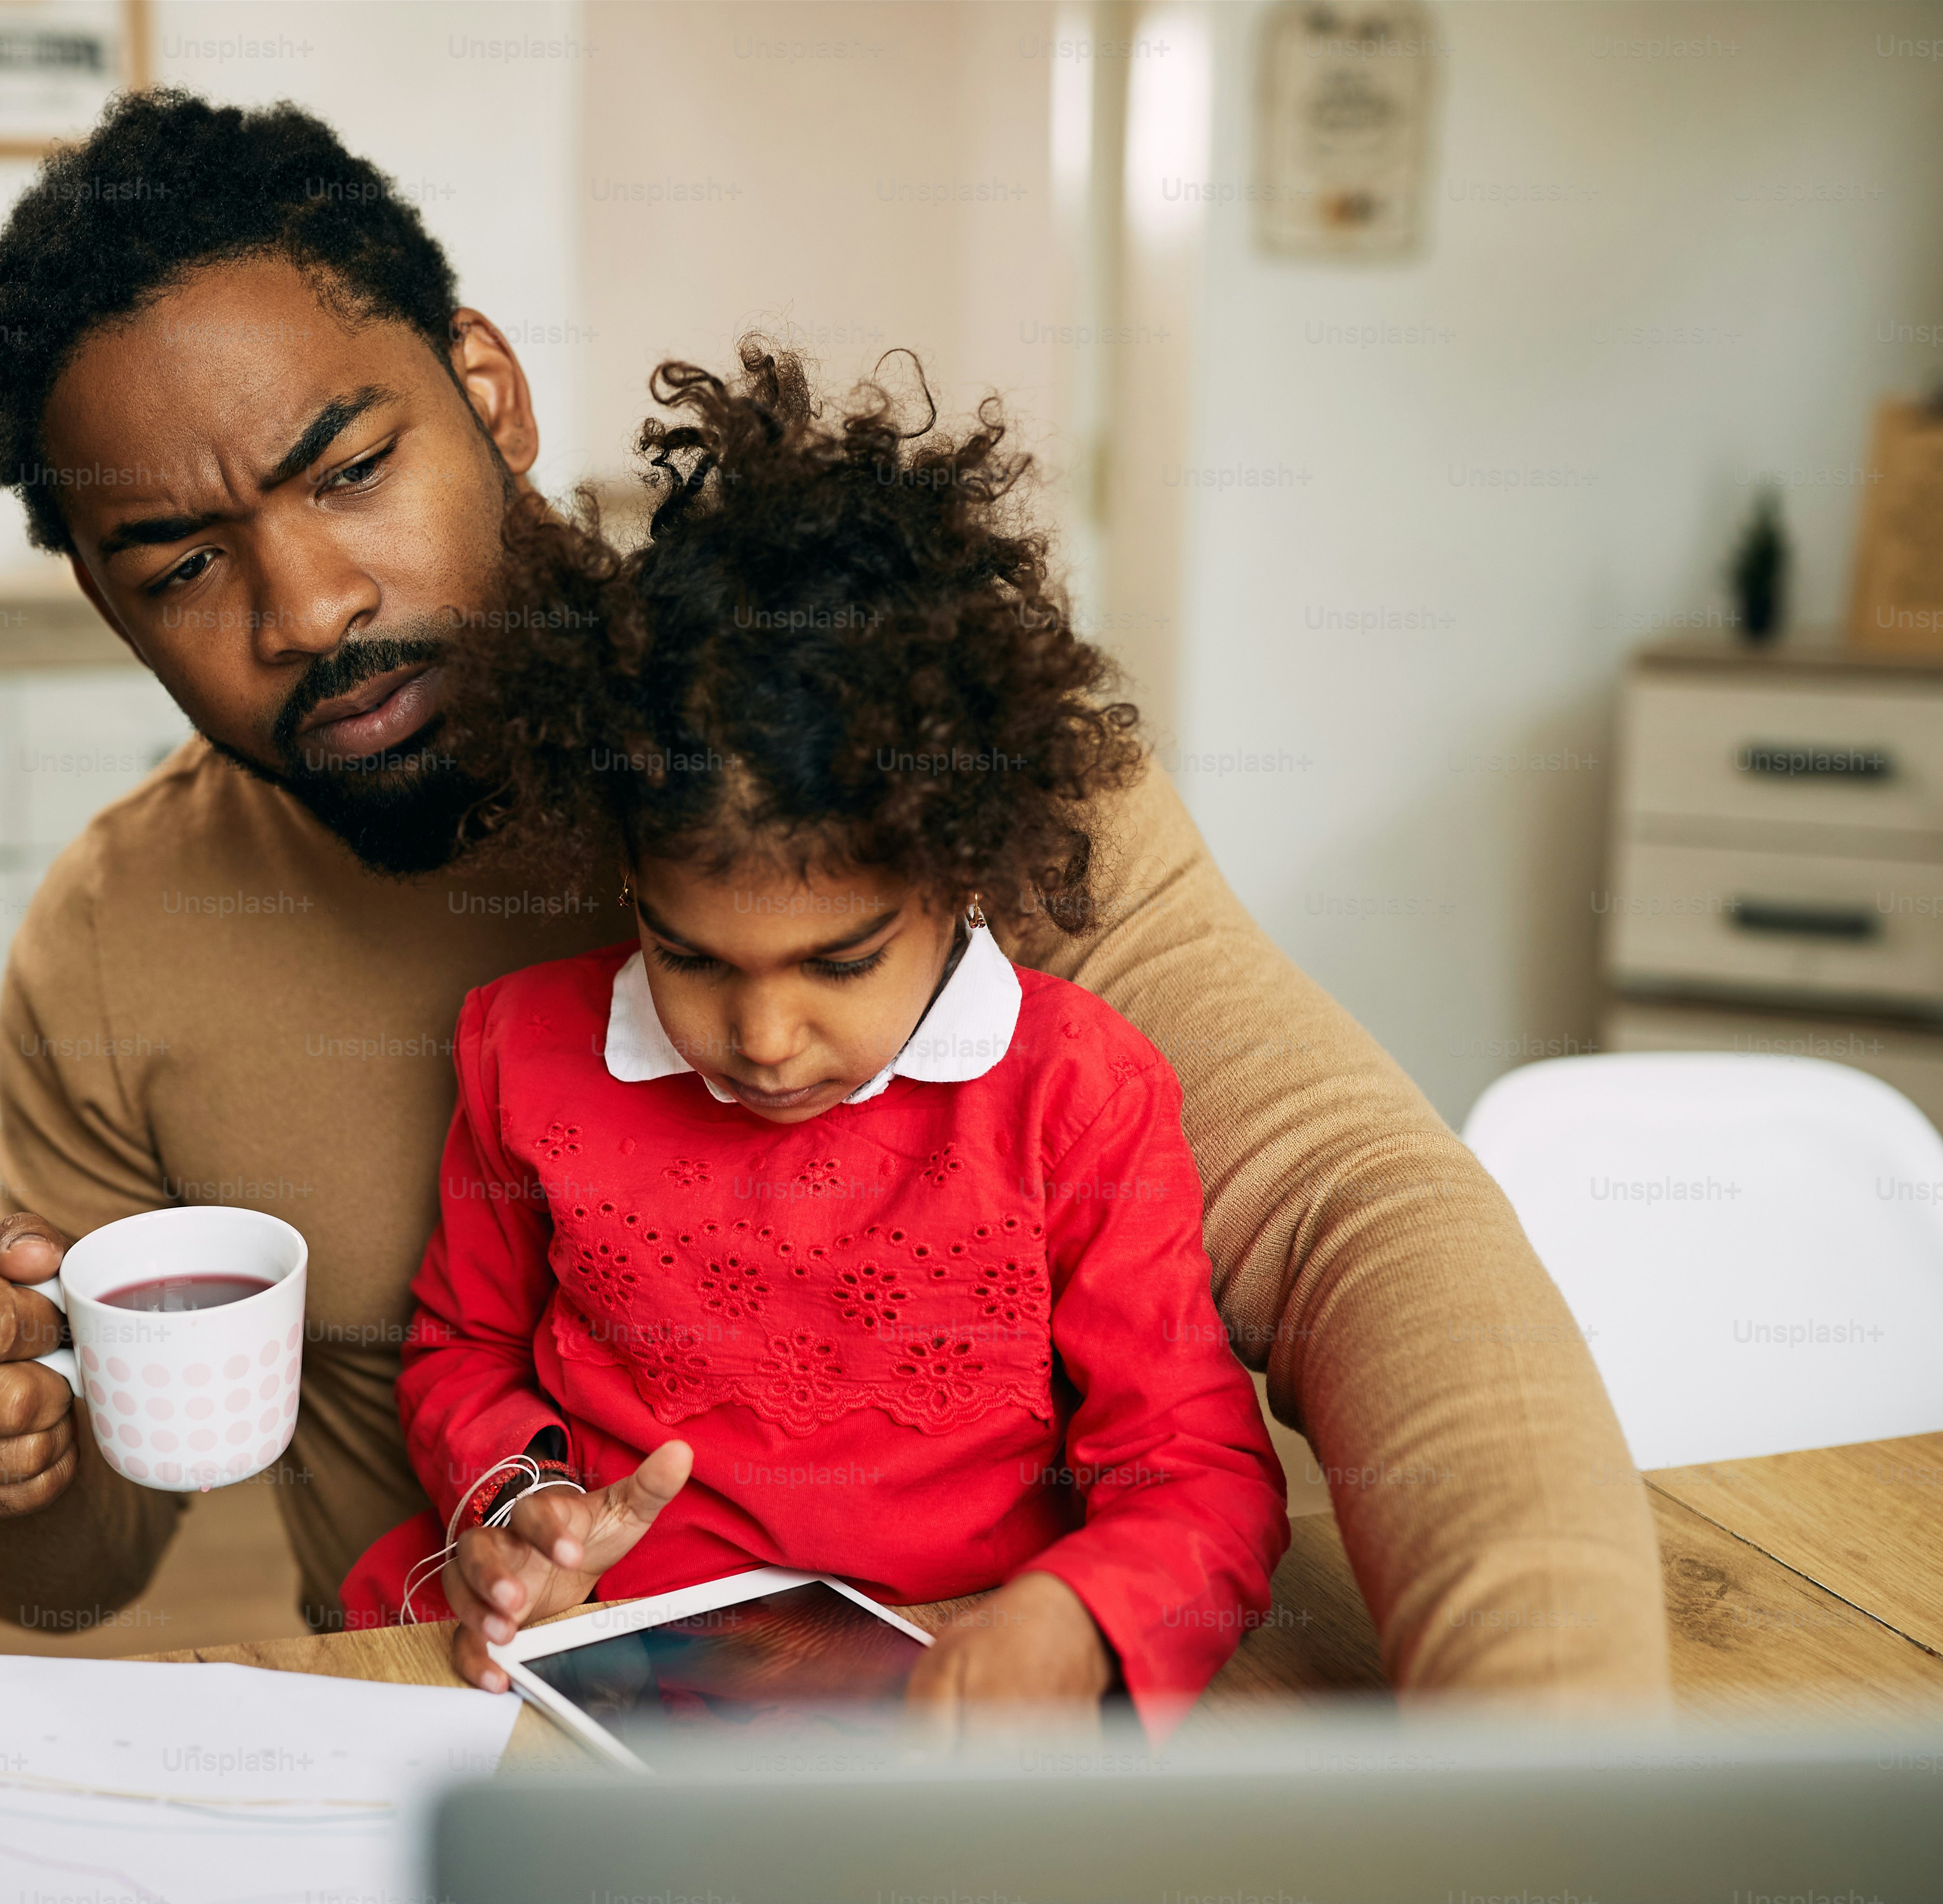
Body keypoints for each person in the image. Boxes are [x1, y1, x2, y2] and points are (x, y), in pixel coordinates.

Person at [0, 89, 1668, 1708]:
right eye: (180, 563)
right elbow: (80, 1569)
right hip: (522, 1764)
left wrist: (1562, 1756)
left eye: (351, 471)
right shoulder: (117, 941)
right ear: (108, 605)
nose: (308, 604)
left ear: (483, 389)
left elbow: (1361, 1215)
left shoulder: (904, 736)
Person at [330, 344, 1290, 1727]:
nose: (764, 1036)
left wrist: (1078, 1619)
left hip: (955, 1662)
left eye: (839, 962)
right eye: (692, 957)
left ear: (960, 873)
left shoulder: (1073, 1094)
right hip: (612, 1640)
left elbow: (1196, 1464)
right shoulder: (524, 1051)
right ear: (630, 886)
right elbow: (462, 1352)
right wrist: (527, 1510)